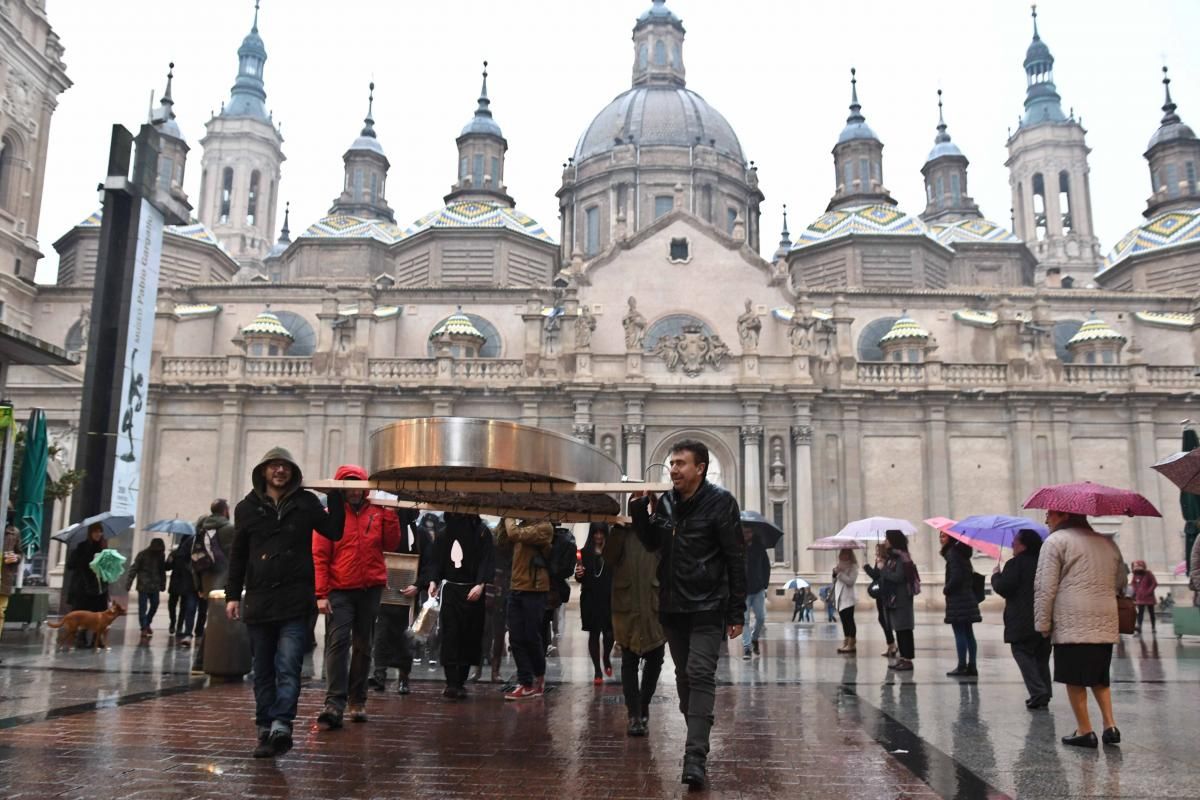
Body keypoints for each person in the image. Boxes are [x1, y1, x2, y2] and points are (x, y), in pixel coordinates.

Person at [631, 439, 746, 790]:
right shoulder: (665, 502)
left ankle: (695, 755)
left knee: (699, 673)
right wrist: (640, 513)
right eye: (672, 463)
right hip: (673, 604)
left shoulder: (721, 502)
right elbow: (653, 543)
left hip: (709, 604)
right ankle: (698, 726)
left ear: (700, 468)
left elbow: (735, 557)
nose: (674, 469)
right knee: (684, 677)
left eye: (681, 463)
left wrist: (736, 609)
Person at [225, 446, 345, 759]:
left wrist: (335, 496)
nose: (280, 471)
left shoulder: (305, 503)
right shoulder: (246, 508)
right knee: (262, 669)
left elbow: (333, 531)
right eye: (274, 466)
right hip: (260, 600)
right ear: (263, 471)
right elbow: (238, 556)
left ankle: (282, 724)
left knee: (289, 665)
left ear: (292, 472)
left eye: (285, 467)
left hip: (294, 600)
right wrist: (232, 595)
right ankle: (265, 729)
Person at [312, 465, 402, 730]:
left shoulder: (378, 512)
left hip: (369, 588)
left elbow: (391, 544)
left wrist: (391, 515)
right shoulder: (329, 517)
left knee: (364, 645)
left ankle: (357, 700)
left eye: (357, 485)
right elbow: (320, 557)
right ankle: (334, 703)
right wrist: (320, 594)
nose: (353, 490)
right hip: (340, 589)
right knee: (338, 643)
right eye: (347, 485)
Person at [1034, 508, 1125, 748]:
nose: (1046, 519)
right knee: (1099, 676)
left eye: (1050, 514)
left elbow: (1045, 587)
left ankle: (1085, 730)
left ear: (1064, 515)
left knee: (1073, 677)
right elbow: (1120, 581)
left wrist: (1043, 624)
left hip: (1072, 620)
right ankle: (1110, 725)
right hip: (1104, 618)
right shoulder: (1107, 542)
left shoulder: (1055, 542)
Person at [420, 512, 494, 699]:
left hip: (472, 591)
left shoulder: (482, 533)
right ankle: (451, 682)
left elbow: (486, 560)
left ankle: (460, 680)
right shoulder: (444, 534)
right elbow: (436, 561)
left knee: (470, 635)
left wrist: (481, 583)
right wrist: (433, 581)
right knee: (451, 634)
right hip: (451, 591)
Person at [604, 522, 666, 737]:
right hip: (627, 608)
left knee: (655, 659)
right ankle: (634, 714)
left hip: (654, 607)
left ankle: (644, 703)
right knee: (629, 662)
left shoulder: (657, 528)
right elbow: (609, 557)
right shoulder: (620, 532)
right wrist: (619, 530)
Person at [368, 509, 427, 695]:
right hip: (385, 594)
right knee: (381, 635)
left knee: (405, 639)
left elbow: (429, 565)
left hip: (408, 598)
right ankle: (379, 675)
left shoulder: (420, 536)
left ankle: (403, 678)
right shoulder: (383, 533)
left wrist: (418, 585)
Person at [991, 529, 1050, 709]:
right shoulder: (1044, 562)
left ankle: (1038, 692)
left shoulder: (1015, 564)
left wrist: (996, 575)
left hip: (1021, 618)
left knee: (1022, 653)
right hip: (1043, 616)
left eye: (1015, 541)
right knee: (1041, 657)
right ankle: (1044, 692)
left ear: (1023, 544)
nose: (1012, 545)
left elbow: (1004, 587)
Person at [496, 516, 553, 700]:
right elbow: (502, 539)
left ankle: (539, 676)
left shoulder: (544, 527)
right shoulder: (522, 525)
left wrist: (509, 514)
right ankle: (525, 682)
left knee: (531, 636)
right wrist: (504, 520)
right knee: (516, 638)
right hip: (516, 588)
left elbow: (514, 533)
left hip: (534, 590)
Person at [191, 500, 237, 670]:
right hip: (224, 582)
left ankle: (208, 660)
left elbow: (194, 559)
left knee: (216, 619)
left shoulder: (202, 529)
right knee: (221, 620)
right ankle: (203, 661)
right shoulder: (229, 530)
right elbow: (236, 559)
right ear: (225, 511)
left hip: (207, 583)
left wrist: (199, 587)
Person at [576, 523, 615, 683]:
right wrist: (579, 574)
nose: (598, 536)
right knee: (593, 633)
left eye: (601, 533)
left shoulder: (612, 553)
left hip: (608, 598)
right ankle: (597, 670)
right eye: (595, 533)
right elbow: (580, 578)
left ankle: (606, 657)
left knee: (609, 632)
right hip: (590, 598)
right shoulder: (584, 553)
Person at [941, 533, 982, 677]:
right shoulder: (962, 554)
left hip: (958, 599)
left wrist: (947, 589)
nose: (941, 539)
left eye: (944, 536)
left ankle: (962, 666)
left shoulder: (952, 553)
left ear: (951, 538)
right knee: (969, 633)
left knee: (960, 633)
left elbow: (956, 577)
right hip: (967, 597)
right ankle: (972, 666)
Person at [878, 530, 917, 671]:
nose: (885, 541)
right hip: (894, 599)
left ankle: (907, 659)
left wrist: (883, 570)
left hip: (901, 599)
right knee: (899, 630)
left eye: (887, 538)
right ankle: (903, 658)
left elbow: (898, 577)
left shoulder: (901, 557)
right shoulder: (892, 557)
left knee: (904, 629)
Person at [125, 538, 167, 642]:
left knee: (155, 604)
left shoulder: (161, 556)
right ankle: (144, 627)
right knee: (142, 607)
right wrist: (129, 582)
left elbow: (162, 571)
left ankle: (147, 622)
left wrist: (163, 584)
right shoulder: (142, 554)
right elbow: (134, 568)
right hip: (143, 585)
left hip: (155, 585)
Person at [863, 542, 896, 658]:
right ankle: (891, 644)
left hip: (884, 595)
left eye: (877, 550)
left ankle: (892, 645)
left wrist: (871, 568)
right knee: (883, 619)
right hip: (880, 595)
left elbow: (880, 576)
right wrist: (868, 567)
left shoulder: (886, 561)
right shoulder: (879, 561)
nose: (875, 552)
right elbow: (875, 575)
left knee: (884, 619)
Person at [742, 528, 770, 660]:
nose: (746, 534)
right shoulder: (737, 547)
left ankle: (754, 638)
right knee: (745, 620)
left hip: (758, 589)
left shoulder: (759, 548)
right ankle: (747, 647)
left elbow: (766, 566)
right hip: (743, 590)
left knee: (761, 617)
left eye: (749, 531)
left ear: (753, 533)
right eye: (744, 532)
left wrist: (764, 584)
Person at [167, 533, 198, 648]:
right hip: (182, 583)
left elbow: (167, 566)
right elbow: (167, 566)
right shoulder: (176, 553)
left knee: (175, 605)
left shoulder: (181, 554)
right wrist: (170, 560)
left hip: (178, 583)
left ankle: (176, 624)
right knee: (182, 607)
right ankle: (177, 624)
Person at [1, 524, 22, 658]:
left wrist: (16, 558)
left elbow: (19, 552)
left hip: (4, 579)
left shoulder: (14, 531)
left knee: (0, 613)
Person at [833, 548, 859, 654]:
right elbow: (835, 582)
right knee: (844, 621)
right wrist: (834, 573)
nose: (843, 555)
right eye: (842, 553)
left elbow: (850, 581)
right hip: (839, 597)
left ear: (850, 555)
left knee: (849, 620)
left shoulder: (853, 567)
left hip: (848, 597)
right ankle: (846, 641)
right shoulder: (839, 565)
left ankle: (851, 644)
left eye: (846, 553)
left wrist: (839, 574)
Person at [1130, 560, 1158, 635]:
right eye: (1136, 566)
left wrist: (1149, 591)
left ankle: (1153, 627)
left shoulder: (1148, 573)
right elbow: (1133, 583)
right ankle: (1139, 627)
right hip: (1140, 597)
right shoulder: (1135, 574)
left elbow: (1154, 583)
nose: (1137, 568)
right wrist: (1136, 590)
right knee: (1140, 613)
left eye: (1139, 566)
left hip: (1149, 597)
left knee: (1151, 613)